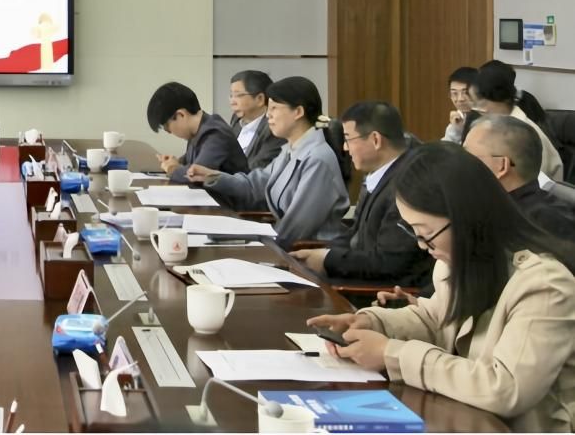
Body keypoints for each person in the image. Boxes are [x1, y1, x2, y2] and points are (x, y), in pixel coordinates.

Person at [308, 143, 575, 432]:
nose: (423, 246)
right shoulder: (457, 261)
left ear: (467, 218)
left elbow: (506, 388)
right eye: (414, 233)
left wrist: (391, 353)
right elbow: (436, 318)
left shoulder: (544, 286)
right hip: (464, 417)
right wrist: (373, 322)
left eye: (426, 234)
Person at [187, 76, 349, 248]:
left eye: (274, 108)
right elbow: (254, 184)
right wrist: (213, 177)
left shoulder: (318, 159)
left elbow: (297, 226)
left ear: (298, 112)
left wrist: (260, 244)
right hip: (286, 242)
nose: (268, 115)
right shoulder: (290, 149)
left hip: (310, 251)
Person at [290, 102, 432, 290]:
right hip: (359, 276)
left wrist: (327, 259)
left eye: (348, 139)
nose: (345, 148)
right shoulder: (379, 174)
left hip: (379, 292)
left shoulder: (407, 185)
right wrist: (323, 253)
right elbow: (354, 234)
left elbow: (390, 263)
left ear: (375, 140)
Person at [464, 114, 575, 239]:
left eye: (467, 156)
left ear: (501, 166)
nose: (459, 163)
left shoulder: (541, 227)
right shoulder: (496, 208)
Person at [471, 60, 563, 179]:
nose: (479, 110)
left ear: (497, 98)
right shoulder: (497, 125)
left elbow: (529, 183)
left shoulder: (526, 135)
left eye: (481, 103)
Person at [146, 82, 247, 183]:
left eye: (167, 127)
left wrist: (171, 168)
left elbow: (196, 175)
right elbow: (188, 164)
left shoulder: (216, 133)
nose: (169, 132)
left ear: (181, 115)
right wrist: (173, 161)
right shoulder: (197, 132)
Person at [228, 70, 284, 169]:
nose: (232, 102)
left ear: (260, 99)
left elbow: (257, 169)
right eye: (231, 95)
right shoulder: (236, 120)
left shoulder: (274, 128)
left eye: (238, 95)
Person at [442, 66, 477, 143]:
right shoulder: (457, 119)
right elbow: (446, 147)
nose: (460, 99)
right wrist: (456, 130)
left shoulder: (487, 121)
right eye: (454, 93)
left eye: (465, 93)